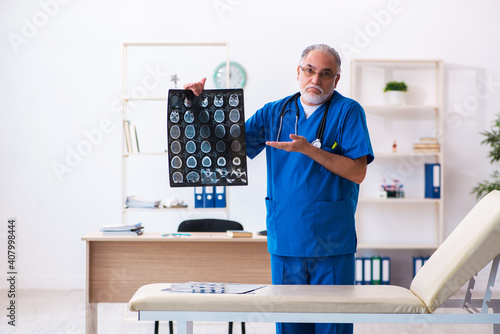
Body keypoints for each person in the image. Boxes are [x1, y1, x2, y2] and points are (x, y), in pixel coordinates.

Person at [184, 44, 374, 334]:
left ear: (336, 80)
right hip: (287, 237)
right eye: (309, 71)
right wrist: (198, 105)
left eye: (326, 74)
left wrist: (310, 150)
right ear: (298, 72)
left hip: (332, 241)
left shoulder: (348, 112)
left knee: (333, 326)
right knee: (290, 325)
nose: (316, 80)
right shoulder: (275, 113)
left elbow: (358, 172)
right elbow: (229, 146)